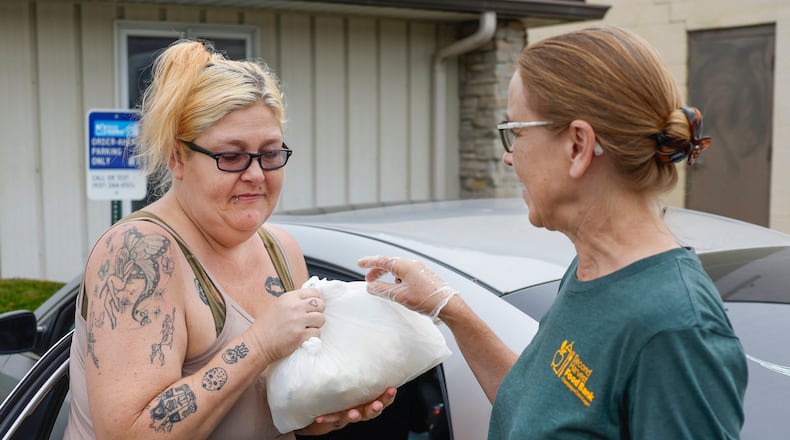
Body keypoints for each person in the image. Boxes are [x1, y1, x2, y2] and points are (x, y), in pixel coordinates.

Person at [359, 25, 746, 439]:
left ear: (578, 145)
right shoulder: (589, 270)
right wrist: (449, 307)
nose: (509, 159)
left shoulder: (677, 329)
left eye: (516, 133)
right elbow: (532, 410)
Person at [65, 39, 395, 439]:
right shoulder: (138, 251)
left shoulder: (282, 250)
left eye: (270, 154)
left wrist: (331, 406)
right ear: (177, 157)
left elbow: (282, 412)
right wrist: (260, 345)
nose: (256, 174)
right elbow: (130, 433)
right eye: (232, 156)